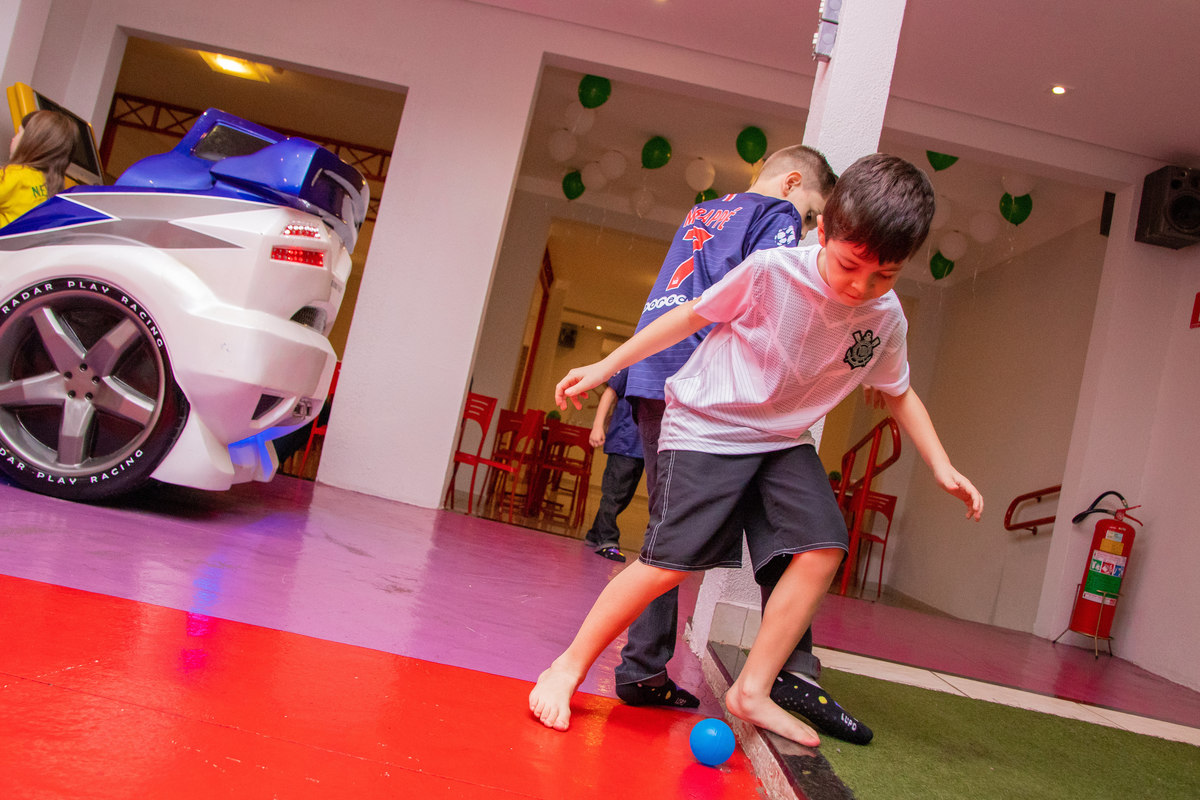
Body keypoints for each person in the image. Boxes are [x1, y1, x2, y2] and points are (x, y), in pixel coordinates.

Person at [530, 153, 983, 748]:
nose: (861, 286)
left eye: (885, 275)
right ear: (823, 232)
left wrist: (941, 464)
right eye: (851, 266)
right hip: (709, 425)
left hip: (779, 438)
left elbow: (898, 392)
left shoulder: (885, 317)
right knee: (668, 564)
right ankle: (566, 666)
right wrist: (609, 365)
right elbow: (689, 314)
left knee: (823, 546)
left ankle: (753, 689)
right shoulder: (771, 271)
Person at [615, 144, 869, 743]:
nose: (806, 229)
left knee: (669, 529)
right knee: (765, 520)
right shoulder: (776, 217)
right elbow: (769, 298)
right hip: (711, 388)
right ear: (791, 185)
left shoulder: (708, 210)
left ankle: (648, 666)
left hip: (655, 370)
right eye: (811, 214)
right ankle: (782, 669)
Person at [582, 368, 644, 563]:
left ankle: (594, 533)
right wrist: (598, 425)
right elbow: (610, 392)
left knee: (623, 496)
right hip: (624, 440)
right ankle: (607, 541)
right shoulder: (634, 363)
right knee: (614, 495)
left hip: (643, 445)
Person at [0, 110, 76, 226]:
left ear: (31, 142)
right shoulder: (50, 185)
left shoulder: (15, 175)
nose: (13, 139)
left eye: (18, 133)